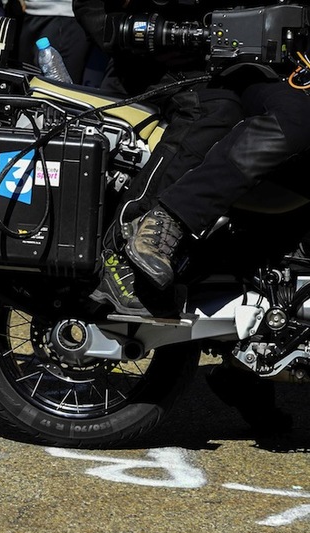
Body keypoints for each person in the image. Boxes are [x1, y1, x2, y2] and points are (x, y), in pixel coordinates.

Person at [73, 0, 249, 316]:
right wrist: (141, 32)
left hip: (221, 63)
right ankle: (122, 249)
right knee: (213, 111)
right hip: (151, 65)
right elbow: (92, 9)